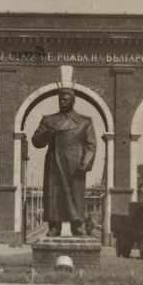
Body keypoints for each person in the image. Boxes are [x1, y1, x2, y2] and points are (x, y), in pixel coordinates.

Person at [30, 87, 97, 237]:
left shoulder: (84, 121)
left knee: (75, 195)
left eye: (66, 99)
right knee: (54, 195)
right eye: (60, 99)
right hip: (55, 163)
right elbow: (36, 141)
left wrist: (85, 164)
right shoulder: (49, 120)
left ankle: (77, 225)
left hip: (75, 166)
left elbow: (91, 145)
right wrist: (48, 133)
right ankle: (54, 226)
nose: (62, 102)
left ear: (73, 101)